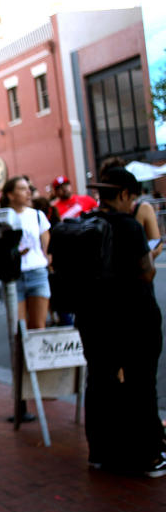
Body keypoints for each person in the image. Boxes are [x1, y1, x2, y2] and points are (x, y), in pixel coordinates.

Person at [74, 168, 165, 477]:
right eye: (133, 196)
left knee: (99, 382)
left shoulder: (85, 223)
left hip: (94, 318)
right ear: (125, 194)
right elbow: (146, 271)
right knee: (142, 383)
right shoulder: (128, 226)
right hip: (133, 318)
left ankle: (100, 453)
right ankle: (150, 457)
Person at [0, 175, 51, 330]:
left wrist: (46, 261)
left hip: (37, 273)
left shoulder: (37, 215)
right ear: (10, 195)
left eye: (29, 188)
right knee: (19, 330)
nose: (28, 192)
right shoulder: (1, 218)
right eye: (22, 189)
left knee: (38, 326)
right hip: (14, 278)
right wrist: (13, 255)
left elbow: (47, 247)